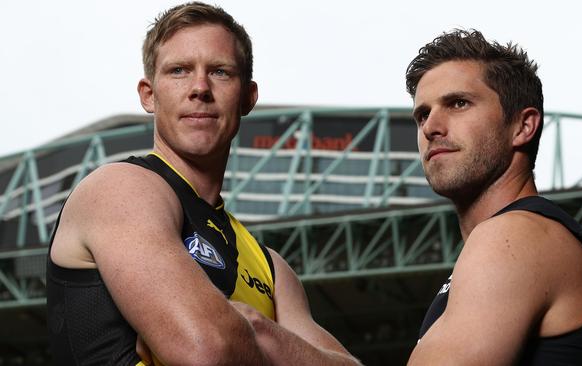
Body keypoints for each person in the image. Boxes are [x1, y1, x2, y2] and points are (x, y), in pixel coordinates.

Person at [46, 2, 360, 365]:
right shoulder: (120, 189)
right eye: (179, 71)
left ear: (247, 97)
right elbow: (206, 350)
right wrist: (265, 343)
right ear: (149, 94)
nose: (200, 88)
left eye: (221, 72)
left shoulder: (272, 269)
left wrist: (257, 328)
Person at [404, 29, 582, 365]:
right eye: (422, 115)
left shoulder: (515, 235)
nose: (430, 127)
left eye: (458, 103)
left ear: (523, 127)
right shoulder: (506, 241)